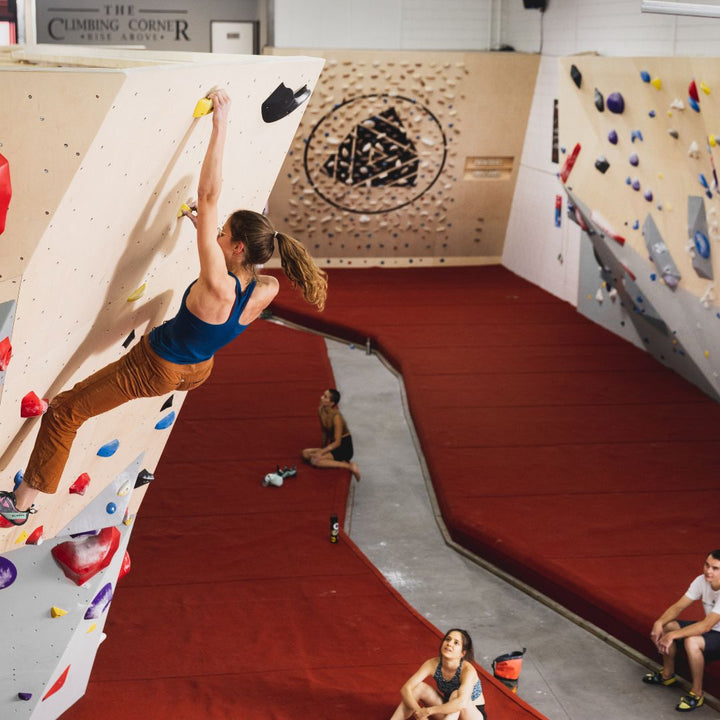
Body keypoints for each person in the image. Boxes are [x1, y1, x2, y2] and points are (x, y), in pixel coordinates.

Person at [0, 89, 327, 527]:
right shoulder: (264, 286)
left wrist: (221, 124)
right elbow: (218, 232)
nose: (215, 231)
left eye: (222, 233)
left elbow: (209, 197)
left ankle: (19, 507)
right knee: (157, 324)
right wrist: (205, 232)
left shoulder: (218, 282)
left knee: (63, 413)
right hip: (197, 367)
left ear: (236, 247)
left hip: (155, 366)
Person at [642, 550, 720, 712]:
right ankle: (667, 676)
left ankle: (696, 694)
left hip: (716, 632)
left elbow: (705, 626)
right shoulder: (702, 580)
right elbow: (678, 606)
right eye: (707, 565)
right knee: (667, 626)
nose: (708, 571)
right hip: (710, 629)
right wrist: (660, 622)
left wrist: (673, 635)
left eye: (715, 568)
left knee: (691, 642)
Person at [390, 628, 487, 720]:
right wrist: (419, 712)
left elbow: (461, 703)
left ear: (463, 653)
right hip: (448, 712)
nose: (449, 644)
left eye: (456, 643)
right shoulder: (432, 664)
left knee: (456, 694)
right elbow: (406, 689)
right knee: (419, 687)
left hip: (471, 715)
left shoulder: (467, 670)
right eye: (447, 639)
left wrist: (428, 711)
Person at [301, 388, 360, 481]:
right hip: (332, 445)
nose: (321, 398)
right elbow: (324, 432)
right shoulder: (321, 410)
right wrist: (323, 449)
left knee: (315, 461)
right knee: (305, 453)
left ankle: (349, 465)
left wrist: (321, 453)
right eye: (323, 395)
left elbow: (337, 442)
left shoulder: (337, 417)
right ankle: (332, 459)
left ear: (332, 403)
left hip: (344, 447)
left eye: (325, 397)